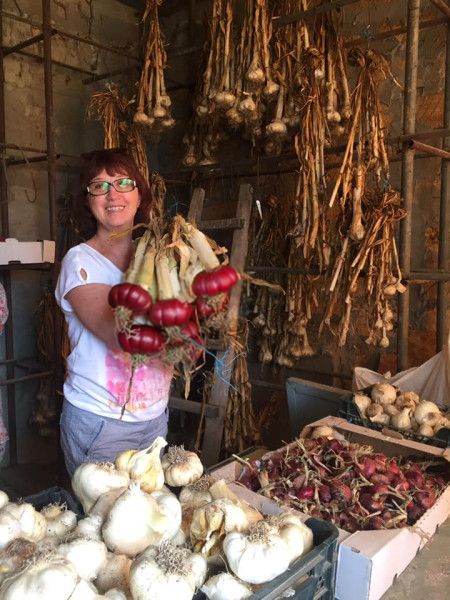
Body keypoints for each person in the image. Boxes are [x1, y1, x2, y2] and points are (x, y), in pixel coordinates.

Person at [55, 149, 172, 477]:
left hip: (155, 418)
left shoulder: (161, 258)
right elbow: (119, 333)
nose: (112, 195)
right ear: (87, 200)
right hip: (100, 424)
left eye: (123, 183)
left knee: (152, 506)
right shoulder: (79, 262)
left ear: (139, 195)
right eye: (99, 186)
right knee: (104, 511)